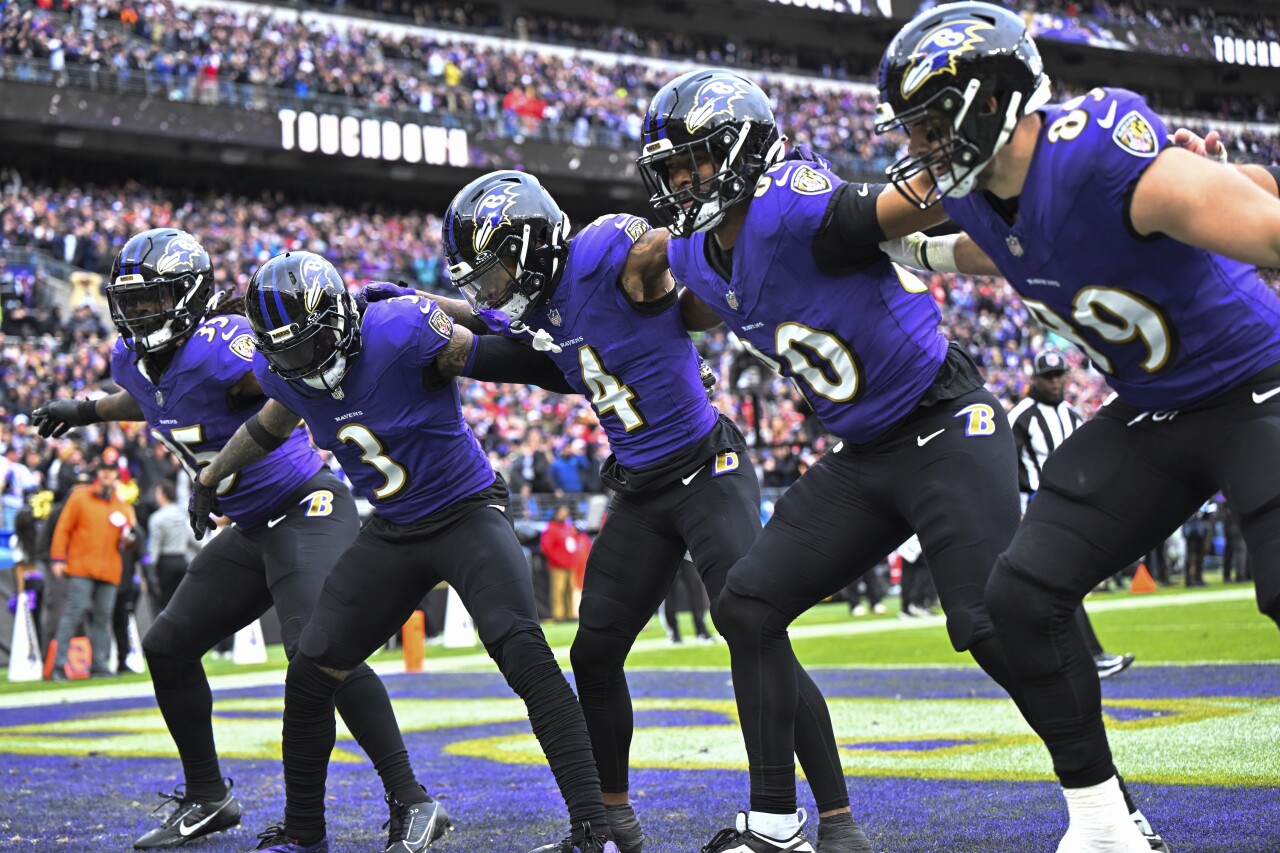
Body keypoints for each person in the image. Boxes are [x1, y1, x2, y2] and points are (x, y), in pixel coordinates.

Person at [636, 66, 1150, 853]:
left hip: (945, 419)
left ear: (739, 149)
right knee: (746, 603)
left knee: (986, 620)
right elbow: (702, 302)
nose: (680, 182)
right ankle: (776, 826)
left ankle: (1109, 813)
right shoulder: (701, 255)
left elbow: (888, 206)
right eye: (669, 170)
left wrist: (1002, 152)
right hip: (866, 452)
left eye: (693, 162)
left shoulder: (793, 202)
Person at [875, 3, 1280, 848]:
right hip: (1154, 412)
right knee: (1019, 598)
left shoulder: (1108, 160)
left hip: (1256, 384)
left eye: (925, 124)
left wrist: (1233, 184)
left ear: (990, 104)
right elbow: (1014, 246)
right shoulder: (983, 193)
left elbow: (1265, 220)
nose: (916, 146)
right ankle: (1104, 825)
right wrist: (922, 254)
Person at [438, 169, 853, 853]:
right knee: (595, 650)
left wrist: (716, 241)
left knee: (754, 627)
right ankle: (609, 823)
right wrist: (411, 303)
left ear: (535, 244)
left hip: (705, 467)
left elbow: (665, 248)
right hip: (640, 488)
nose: (490, 287)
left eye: (495, 270)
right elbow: (486, 324)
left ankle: (834, 823)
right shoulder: (539, 309)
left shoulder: (606, 252)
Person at [31, 229, 445, 853]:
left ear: (191, 296)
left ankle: (413, 800)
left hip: (306, 503)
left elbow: (290, 375)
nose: (140, 313)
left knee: (321, 648)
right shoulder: (132, 361)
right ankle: (207, 797)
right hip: (252, 528)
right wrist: (85, 410)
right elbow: (151, 399)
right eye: (132, 302)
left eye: (154, 300)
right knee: (167, 645)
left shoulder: (223, 348)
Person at [189, 250, 617, 853]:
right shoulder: (283, 368)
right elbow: (268, 425)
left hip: (467, 510)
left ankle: (593, 832)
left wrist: (449, 311)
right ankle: (306, 835)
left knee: (523, 654)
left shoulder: (400, 329)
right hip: (393, 529)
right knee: (311, 671)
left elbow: (513, 352)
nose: (303, 364)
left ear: (339, 320)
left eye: (311, 345)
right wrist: (210, 479)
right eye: (286, 352)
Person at [1009, 350, 1135, 679]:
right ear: (1034, 379)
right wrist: (1015, 512)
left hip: (1068, 506)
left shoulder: (1070, 414)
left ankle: (1053, 658)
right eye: (1047, 376)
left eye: (1058, 375)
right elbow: (1004, 467)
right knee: (1058, 581)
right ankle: (1089, 655)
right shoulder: (1021, 416)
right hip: (1032, 509)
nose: (1054, 382)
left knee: (1050, 585)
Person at [48, 458, 137, 680]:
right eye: (104, 470)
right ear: (98, 473)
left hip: (109, 568)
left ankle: (99, 665)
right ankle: (58, 665)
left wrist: (130, 539)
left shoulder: (122, 505)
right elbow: (63, 528)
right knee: (74, 612)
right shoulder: (80, 498)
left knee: (102, 618)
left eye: (111, 471)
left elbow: (127, 542)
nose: (107, 474)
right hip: (81, 566)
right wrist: (58, 557)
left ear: (117, 475)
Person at [146, 480, 198, 613]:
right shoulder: (182, 515)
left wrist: (149, 573)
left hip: (165, 564)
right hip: (182, 561)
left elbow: (154, 549)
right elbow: (193, 540)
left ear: (163, 495)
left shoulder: (156, 518)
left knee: (162, 604)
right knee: (182, 603)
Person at [541, 504, 579, 622]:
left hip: (571, 564)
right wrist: (557, 560)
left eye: (566, 512)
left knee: (570, 590)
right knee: (558, 591)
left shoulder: (568, 527)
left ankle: (570, 614)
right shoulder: (551, 528)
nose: (565, 514)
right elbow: (546, 547)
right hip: (557, 566)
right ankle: (559, 615)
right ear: (556, 513)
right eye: (562, 512)